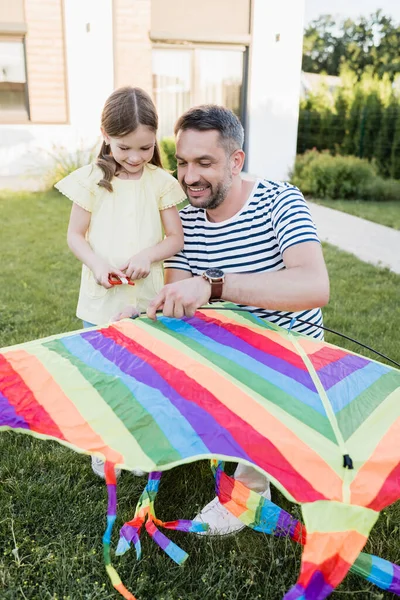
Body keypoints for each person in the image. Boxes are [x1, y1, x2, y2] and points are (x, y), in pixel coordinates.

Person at [139, 104, 329, 536]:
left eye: (204, 163)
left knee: (267, 397)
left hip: (290, 360)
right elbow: (179, 302)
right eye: (183, 162)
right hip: (224, 353)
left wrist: (214, 284)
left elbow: (315, 285)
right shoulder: (183, 220)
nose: (189, 177)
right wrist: (140, 314)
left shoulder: (281, 200)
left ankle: (250, 489)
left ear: (236, 161)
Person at [54, 86, 186, 479]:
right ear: (106, 135)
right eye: (124, 147)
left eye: (144, 148)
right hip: (101, 297)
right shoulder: (91, 179)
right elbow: (76, 235)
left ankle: (142, 440)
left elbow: (175, 238)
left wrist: (148, 256)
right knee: (103, 374)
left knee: (145, 374)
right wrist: (96, 264)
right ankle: (104, 443)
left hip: (145, 297)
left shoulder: (161, 182)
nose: (134, 158)